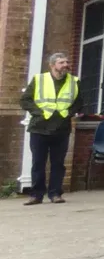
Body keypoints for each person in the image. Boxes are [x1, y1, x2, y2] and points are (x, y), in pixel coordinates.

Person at [19, 51, 85, 205]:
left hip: (61, 127)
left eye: (66, 62)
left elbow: (79, 102)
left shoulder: (74, 81)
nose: (66, 65)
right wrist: (39, 113)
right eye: (61, 62)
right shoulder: (39, 79)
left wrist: (68, 113)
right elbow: (25, 100)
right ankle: (36, 195)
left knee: (58, 163)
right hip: (39, 127)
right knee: (38, 162)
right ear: (52, 65)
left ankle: (55, 194)